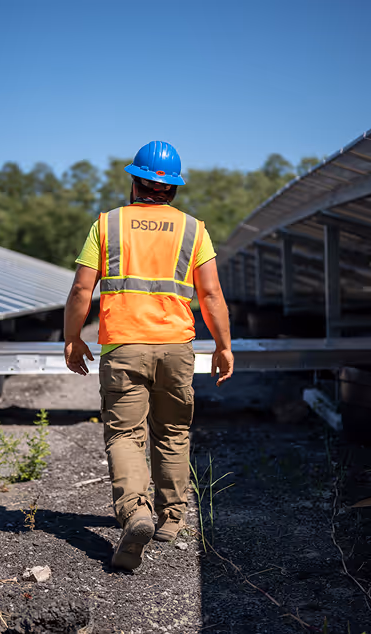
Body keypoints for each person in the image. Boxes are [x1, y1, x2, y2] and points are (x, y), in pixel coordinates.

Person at [64, 141, 233, 571]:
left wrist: (72, 337)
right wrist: (224, 345)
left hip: (123, 346)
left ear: (134, 180)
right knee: (173, 432)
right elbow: (211, 294)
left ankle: (135, 513)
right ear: (173, 188)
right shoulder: (194, 230)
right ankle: (171, 519)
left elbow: (83, 288)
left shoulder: (107, 225)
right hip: (176, 348)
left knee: (125, 436)